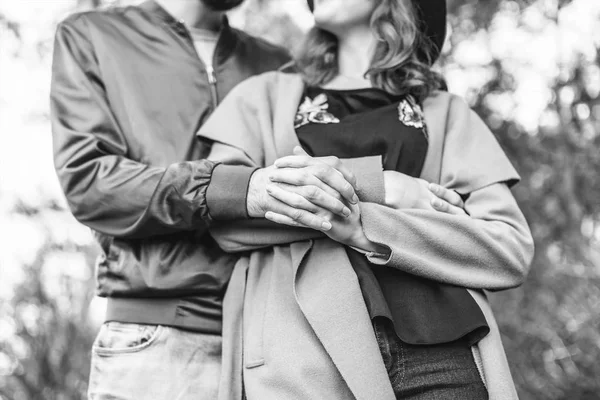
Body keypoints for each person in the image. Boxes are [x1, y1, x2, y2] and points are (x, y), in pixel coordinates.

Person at [50, 0, 463, 399]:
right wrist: (241, 188)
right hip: (159, 336)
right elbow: (90, 183)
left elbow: (312, 183)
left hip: (281, 343)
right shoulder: (92, 36)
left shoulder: (278, 65)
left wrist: (380, 184)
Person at [197, 0, 535, 399]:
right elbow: (224, 210)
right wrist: (383, 186)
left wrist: (363, 227)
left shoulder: (445, 112)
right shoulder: (262, 96)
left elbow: (508, 248)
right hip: (303, 354)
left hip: (444, 354)